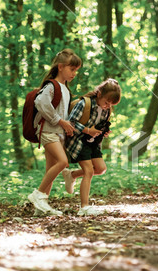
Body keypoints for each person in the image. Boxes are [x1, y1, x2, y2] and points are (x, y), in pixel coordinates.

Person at [28, 49, 82, 216]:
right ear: (60, 67)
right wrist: (59, 121)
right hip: (48, 132)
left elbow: (63, 114)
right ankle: (37, 195)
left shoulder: (65, 88)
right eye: (71, 69)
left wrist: (67, 127)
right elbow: (40, 102)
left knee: (51, 168)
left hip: (58, 134)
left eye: (76, 70)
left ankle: (41, 207)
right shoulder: (53, 85)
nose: (74, 73)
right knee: (62, 162)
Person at [63, 79, 121, 216]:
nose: (108, 106)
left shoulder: (107, 110)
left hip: (93, 142)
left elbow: (98, 126)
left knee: (100, 169)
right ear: (99, 94)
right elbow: (70, 123)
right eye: (107, 102)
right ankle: (84, 207)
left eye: (112, 104)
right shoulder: (84, 104)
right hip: (79, 141)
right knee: (88, 171)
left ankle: (72, 175)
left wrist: (103, 132)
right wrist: (88, 130)